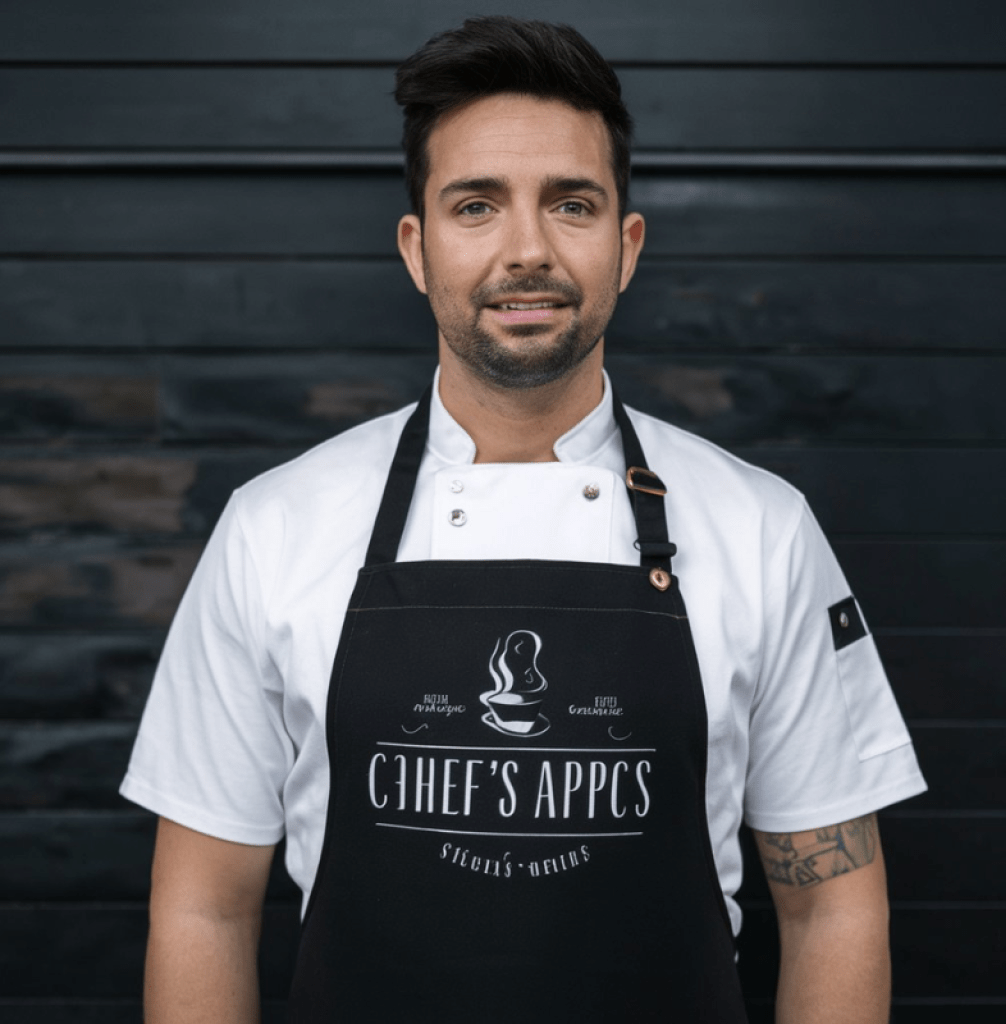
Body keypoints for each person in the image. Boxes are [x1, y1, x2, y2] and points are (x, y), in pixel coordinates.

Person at [122, 16, 927, 1023]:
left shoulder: (761, 528)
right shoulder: (274, 527)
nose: (527, 249)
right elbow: (204, 908)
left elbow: (832, 909)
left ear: (626, 246)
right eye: (476, 205)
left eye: (572, 204)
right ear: (417, 248)